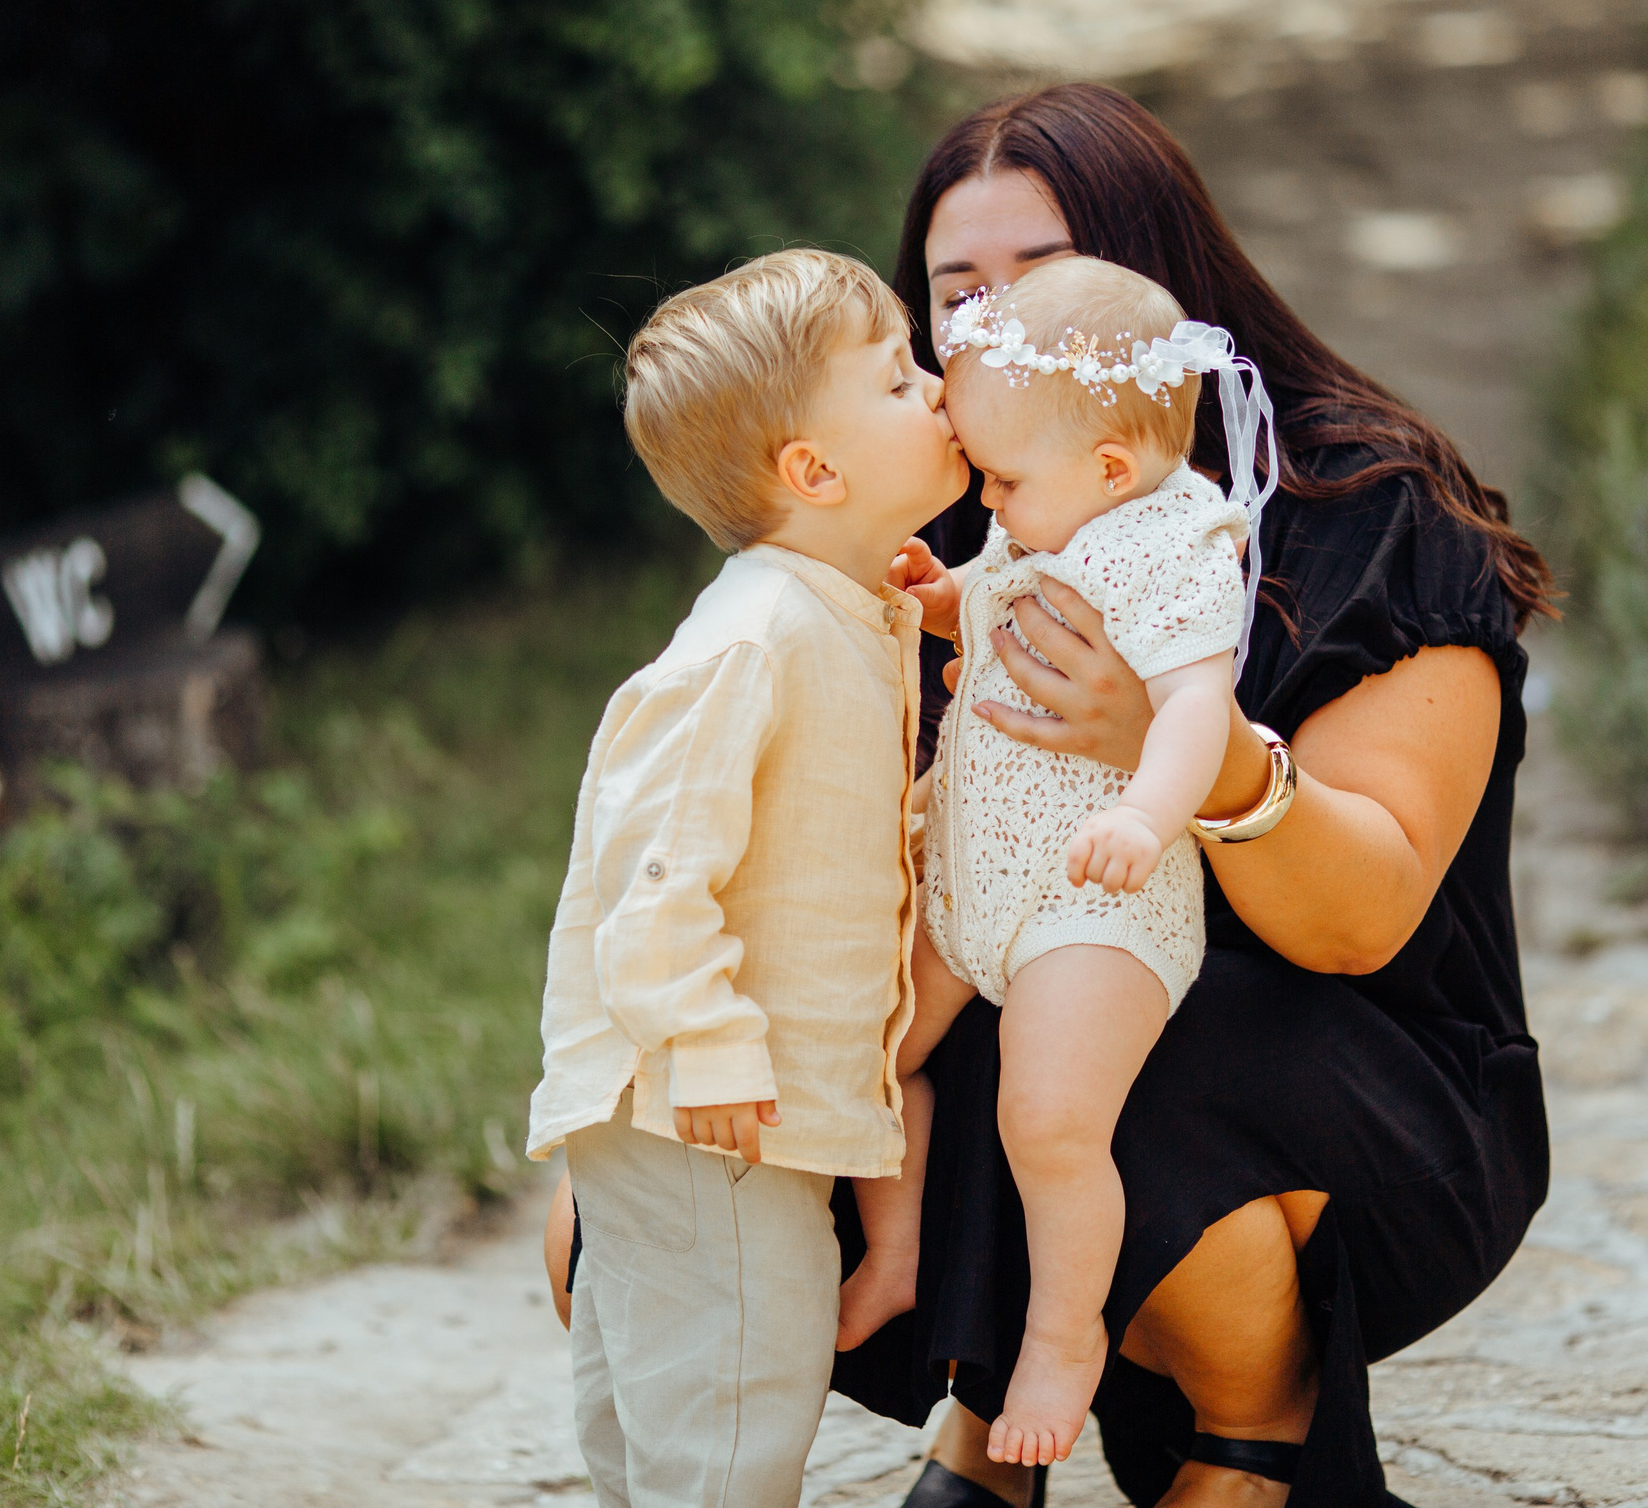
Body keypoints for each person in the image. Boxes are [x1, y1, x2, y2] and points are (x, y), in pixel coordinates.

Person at [829, 82, 1558, 1508]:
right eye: (953, 290)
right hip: (1059, 1002)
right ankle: (987, 1399)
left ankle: (1257, 1423)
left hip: (1369, 1095)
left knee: (1123, 1019)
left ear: (1150, 277)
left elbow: (1365, 919)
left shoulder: (1368, 503)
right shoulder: (968, 519)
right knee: (725, 1126)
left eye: (1036, 275)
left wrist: (1181, 746)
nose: (988, 323)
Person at [526, 247, 971, 1508]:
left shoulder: (846, 607)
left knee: (664, 1416)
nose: (937, 388)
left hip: (732, 1114)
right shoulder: (755, 637)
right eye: (898, 379)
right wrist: (710, 1042)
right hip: (714, 1113)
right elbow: (653, 864)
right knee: (733, 1420)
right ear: (813, 471)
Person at [836, 256, 1273, 1468]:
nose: (983, 493)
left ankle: (1060, 1331)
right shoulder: (1050, 514)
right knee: (875, 1056)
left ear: (1112, 470)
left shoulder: (1173, 546)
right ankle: (898, 1249)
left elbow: (1195, 708)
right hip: (980, 881)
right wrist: (944, 597)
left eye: (1001, 477)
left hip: (1095, 904)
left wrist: (1146, 812)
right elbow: (1005, 590)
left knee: (1048, 1118)